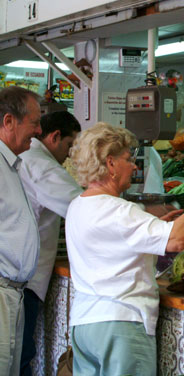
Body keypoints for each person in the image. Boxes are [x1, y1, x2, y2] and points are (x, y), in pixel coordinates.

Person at [66, 122, 184, 375]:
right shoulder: (118, 210)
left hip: (84, 325)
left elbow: (115, 243)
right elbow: (176, 240)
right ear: (110, 164)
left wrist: (153, 229)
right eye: (128, 159)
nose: (134, 166)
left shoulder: (77, 206)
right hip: (120, 325)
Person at [18, 111, 83, 376]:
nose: (69, 154)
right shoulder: (42, 166)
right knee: (20, 353)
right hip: (24, 278)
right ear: (55, 136)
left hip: (21, 273)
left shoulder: (24, 158)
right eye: (69, 145)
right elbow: (84, 209)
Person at [0, 86, 42, 376]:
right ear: (8, 121)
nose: (39, 130)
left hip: (14, 293)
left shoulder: (11, 164)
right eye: (35, 122)